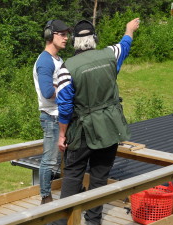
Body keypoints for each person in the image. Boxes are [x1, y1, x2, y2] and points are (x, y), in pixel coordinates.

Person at [54, 18, 140, 225]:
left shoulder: (66, 69)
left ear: (74, 42)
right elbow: (125, 45)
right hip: (110, 128)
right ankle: (93, 221)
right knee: (99, 178)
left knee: (73, 176)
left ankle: (60, 221)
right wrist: (129, 29)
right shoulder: (110, 54)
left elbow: (64, 108)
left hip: (82, 131)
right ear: (94, 39)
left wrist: (62, 134)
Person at [33, 19, 70, 204]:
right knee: (49, 160)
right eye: (62, 34)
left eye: (67, 34)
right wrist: (68, 92)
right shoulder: (45, 62)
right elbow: (48, 92)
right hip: (51, 117)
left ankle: (70, 191)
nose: (66, 38)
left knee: (64, 158)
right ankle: (45, 197)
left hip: (60, 116)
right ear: (50, 35)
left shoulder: (57, 59)